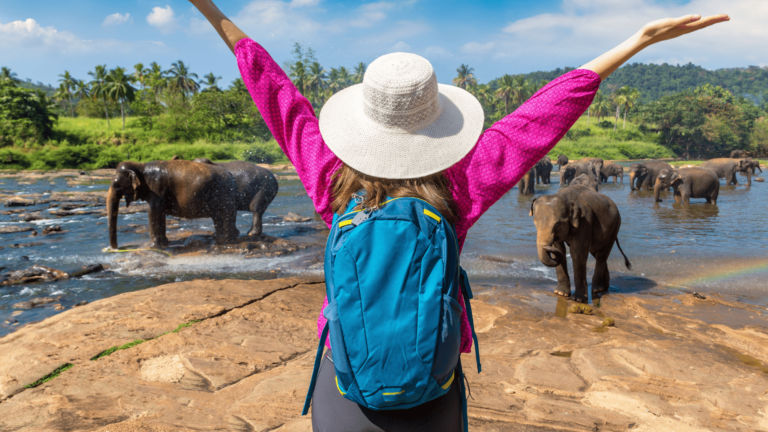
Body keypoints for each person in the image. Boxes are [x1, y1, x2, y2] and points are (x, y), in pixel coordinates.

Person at [189, 1, 728, 430]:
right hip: (435, 382)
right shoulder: (460, 186)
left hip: (345, 380)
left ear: (361, 118)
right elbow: (542, 114)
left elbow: (275, 92)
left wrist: (209, 9)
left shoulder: (329, 177)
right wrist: (637, 42)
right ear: (438, 116)